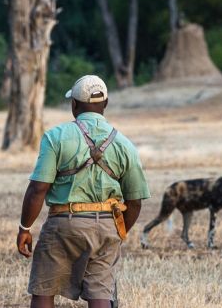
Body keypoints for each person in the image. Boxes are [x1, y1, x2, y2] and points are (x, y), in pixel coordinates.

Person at [16, 75, 150, 308]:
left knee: (44, 290)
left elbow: (38, 188)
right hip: (107, 225)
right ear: (105, 103)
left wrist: (24, 228)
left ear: (74, 104)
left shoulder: (55, 136)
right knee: (100, 294)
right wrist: (118, 233)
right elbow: (135, 201)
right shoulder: (125, 145)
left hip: (63, 224)